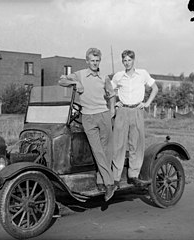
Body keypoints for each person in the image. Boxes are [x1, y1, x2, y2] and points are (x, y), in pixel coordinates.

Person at [59, 48, 116, 202]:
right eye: (92, 60)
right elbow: (61, 80)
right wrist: (75, 82)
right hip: (88, 117)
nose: (95, 63)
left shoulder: (104, 77)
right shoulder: (80, 75)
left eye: (97, 61)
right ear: (87, 61)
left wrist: (111, 111)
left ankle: (100, 181)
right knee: (97, 150)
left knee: (107, 151)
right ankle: (110, 183)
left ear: (99, 61)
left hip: (104, 116)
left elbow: (111, 95)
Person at [111, 50, 158, 187]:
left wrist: (147, 103)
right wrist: (115, 104)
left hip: (137, 110)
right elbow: (109, 91)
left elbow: (155, 88)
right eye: (124, 60)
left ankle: (133, 175)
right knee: (118, 145)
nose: (127, 63)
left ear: (133, 60)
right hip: (122, 111)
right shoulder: (118, 76)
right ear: (122, 62)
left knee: (135, 144)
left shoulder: (142, 74)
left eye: (129, 60)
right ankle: (115, 178)